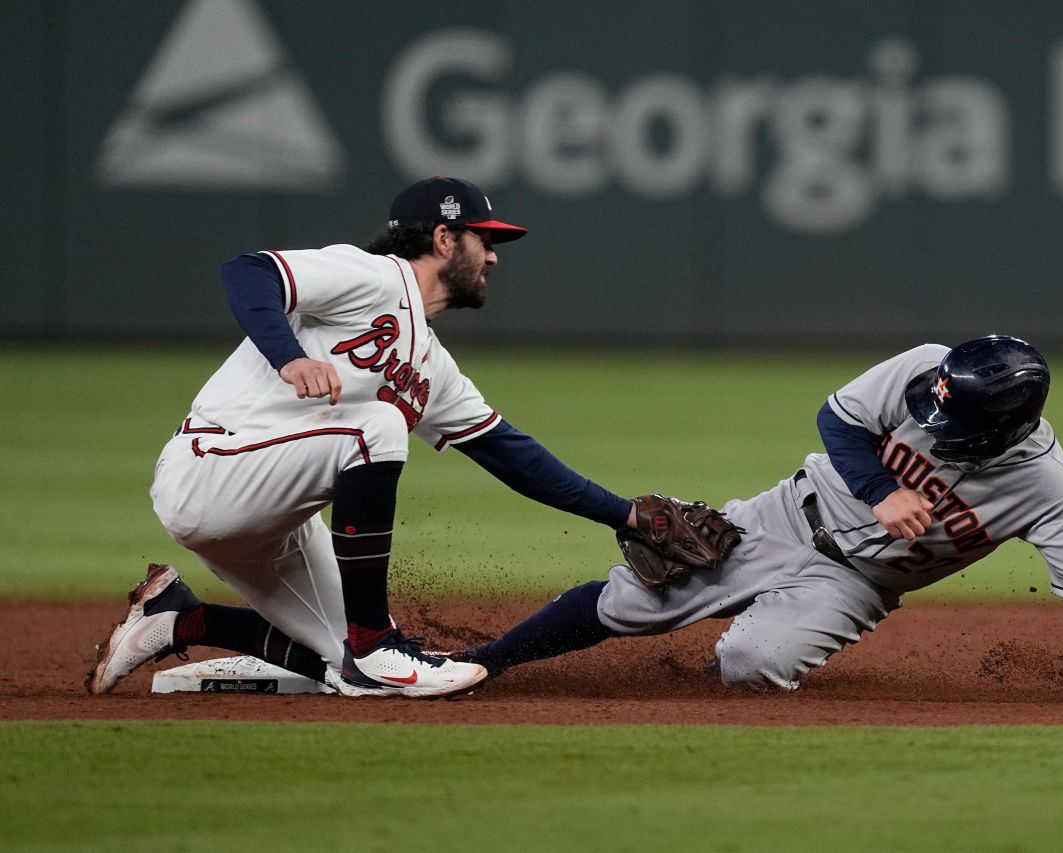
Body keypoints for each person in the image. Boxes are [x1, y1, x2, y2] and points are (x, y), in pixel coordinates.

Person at [87, 177, 645, 699]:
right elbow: (247, 270)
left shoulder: (432, 365)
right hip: (210, 470)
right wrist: (291, 358)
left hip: (274, 516)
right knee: (375, 425)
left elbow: (510, 453)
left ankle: (179, 619)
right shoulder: (373, 275)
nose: (495, 256)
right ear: (445, 238)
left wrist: (629, 518)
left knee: (353, 673)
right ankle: (375, 640)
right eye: (485, 240)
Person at [450, 336, 1063, 700]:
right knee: (630, 599)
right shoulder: (927, 363)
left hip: (854, 585)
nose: (932, 411)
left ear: (1002, 427)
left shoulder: (1049, 487)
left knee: (749, 664)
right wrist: (883, 488)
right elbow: (839, 418)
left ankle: (676, 696)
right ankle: (484, 661)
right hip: (790, 516)